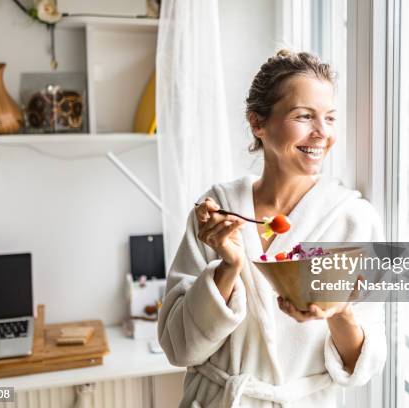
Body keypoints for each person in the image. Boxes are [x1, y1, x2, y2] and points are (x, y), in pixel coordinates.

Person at [158, 50, 386, 407]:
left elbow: (362, 368)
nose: (322, 133)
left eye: (329, 117)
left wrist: (339, 311)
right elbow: (179, 348)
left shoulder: (353, 220)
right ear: (258, 124)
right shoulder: (216, 213)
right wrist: (228, 268)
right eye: (304, 116)